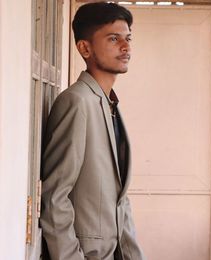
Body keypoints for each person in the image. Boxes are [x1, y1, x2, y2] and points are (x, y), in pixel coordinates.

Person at [40, 2, 145, 260]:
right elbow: (55, 197)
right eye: (113, 38)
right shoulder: (77, 102)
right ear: (84, 48)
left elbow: (120, 199)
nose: (126, 47)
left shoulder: (108, 103)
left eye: (128, 38)